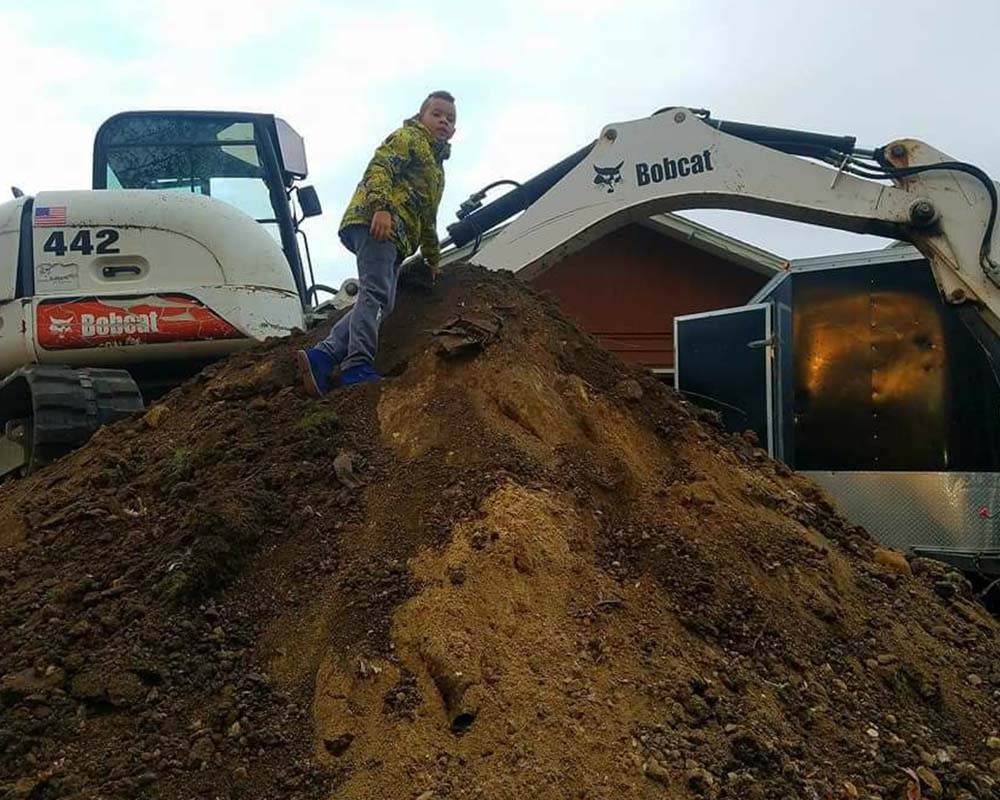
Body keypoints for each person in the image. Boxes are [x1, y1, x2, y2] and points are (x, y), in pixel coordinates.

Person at [297, 90, 457, 396]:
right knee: (376, 294)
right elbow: (379, 169)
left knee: (384, 300)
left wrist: (433, 258)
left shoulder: (437, 170)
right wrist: (381, 208)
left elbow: (428, 217)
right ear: (421, 116)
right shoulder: (408, 137)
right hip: (378, 224)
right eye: (436, 114)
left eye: (449, 119)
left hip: (398, 238)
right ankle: (357, 365)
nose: (443, 121)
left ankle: (323, 356)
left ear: (454, 131)